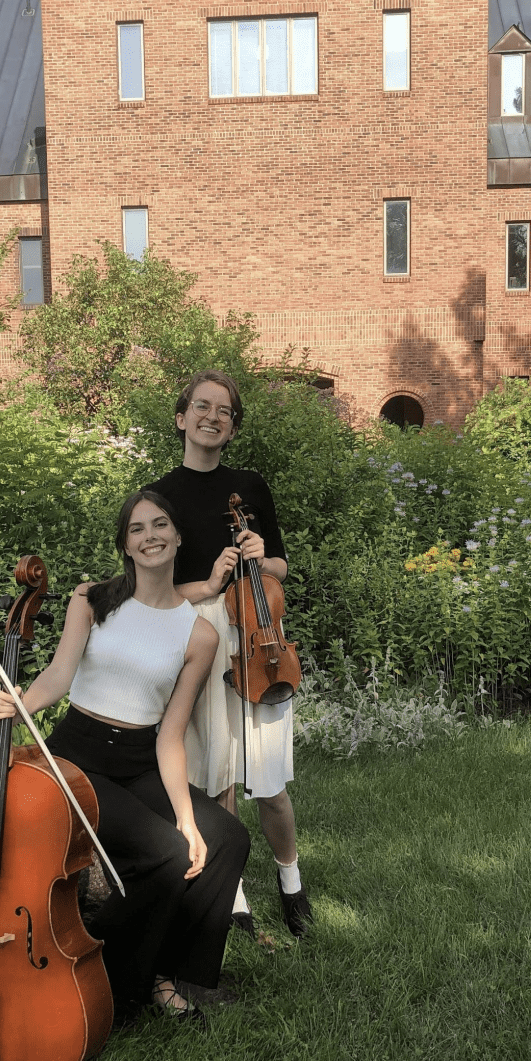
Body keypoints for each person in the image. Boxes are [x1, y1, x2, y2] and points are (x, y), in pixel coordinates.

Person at [0, 489, 250, 1022]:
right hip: (77, 756)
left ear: (177, 537)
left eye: (159, 525)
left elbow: (170, 733)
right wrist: (18, 703)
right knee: (166, 856)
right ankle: (109, 975)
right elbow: (59, 675)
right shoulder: (93, 598)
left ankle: (173, 974)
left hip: (140, 759)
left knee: (225, 837)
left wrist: (185, 814)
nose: (149, 536)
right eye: (137, 529)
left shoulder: (198, 634)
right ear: (125, 545)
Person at [148, 369, 313, 938]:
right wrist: (210, 583)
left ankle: (291, 885)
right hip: (204, 634)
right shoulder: (160, 496)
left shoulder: (252, 486)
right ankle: (234, 894)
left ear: (233, 428)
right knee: (218, 773)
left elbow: (283, 570)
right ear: (181, 417)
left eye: (224, 411)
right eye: (202, 406)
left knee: (269, 779)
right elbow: (157, 591)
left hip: (260, 634)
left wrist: (262, 557)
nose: (212, 417)